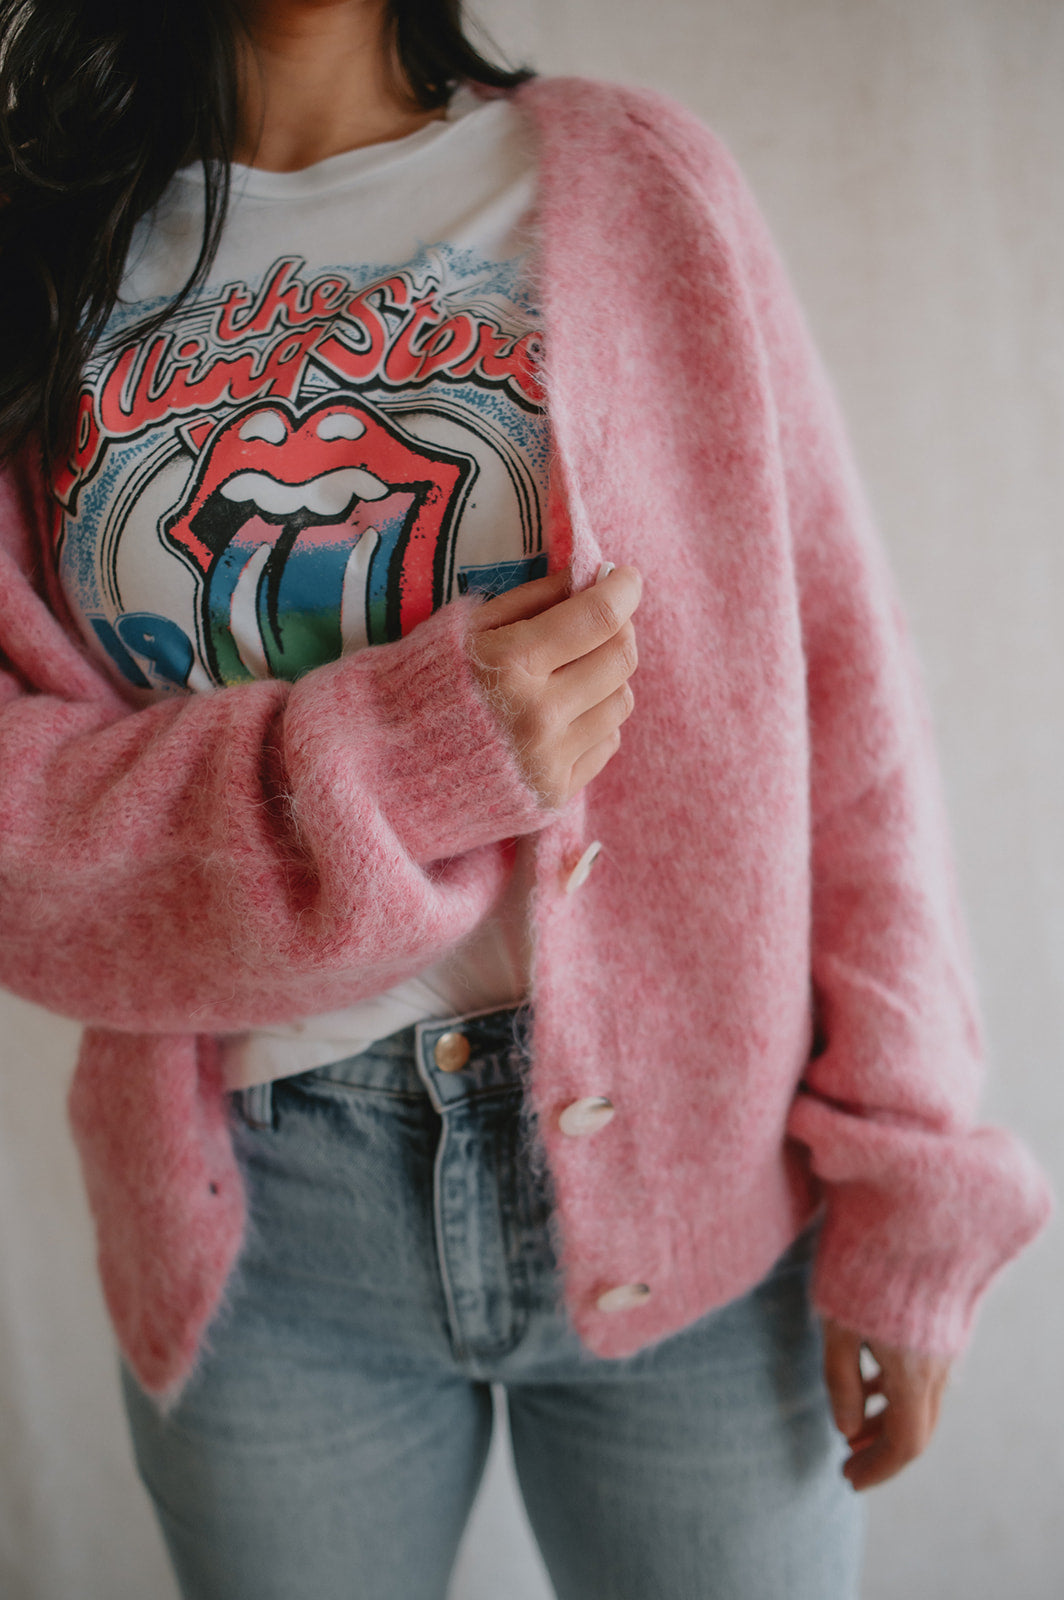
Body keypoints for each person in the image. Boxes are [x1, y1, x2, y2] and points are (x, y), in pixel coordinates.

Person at [0, 2, 1052, 1597]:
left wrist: (912, 1169)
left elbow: (844, 698)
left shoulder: (638, 183)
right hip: (261, 1234)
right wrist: (408, 753)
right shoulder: (38, 257)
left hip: (706, 1178)